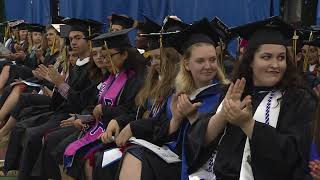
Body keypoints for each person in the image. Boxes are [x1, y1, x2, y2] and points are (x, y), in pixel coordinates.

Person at [203, 16, 317, 180]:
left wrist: (248, 124)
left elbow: (294, 157)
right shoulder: (236, 91)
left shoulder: (299, 99)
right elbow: (200, 144)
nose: (275, 65)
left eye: (281, 58)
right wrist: (223, 115)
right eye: (266, 57)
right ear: (250, 61)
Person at [118, 18, 228, 180]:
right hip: (172, 158)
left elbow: (213, 145)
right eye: (200, 61)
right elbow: (161, 132)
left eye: (212, 60)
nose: (208, 66)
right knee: (132, 154)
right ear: (186, 64)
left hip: (199, 167)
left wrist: (193, 118)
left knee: (136, 158)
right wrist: (176, 119)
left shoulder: (222, 95)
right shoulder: (177, 93)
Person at [3, 18, 101, 180]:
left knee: (36, 135)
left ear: (89, 40)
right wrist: (56, 85)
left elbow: (81, 102)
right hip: (62, 112)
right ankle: (15, 169)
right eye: (71, 39)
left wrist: (60, 84)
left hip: (74, 116)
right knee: (23, 126)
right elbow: (58, 102)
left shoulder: (93, 69)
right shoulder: (76, 64)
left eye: (78, 38)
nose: (73, 42)